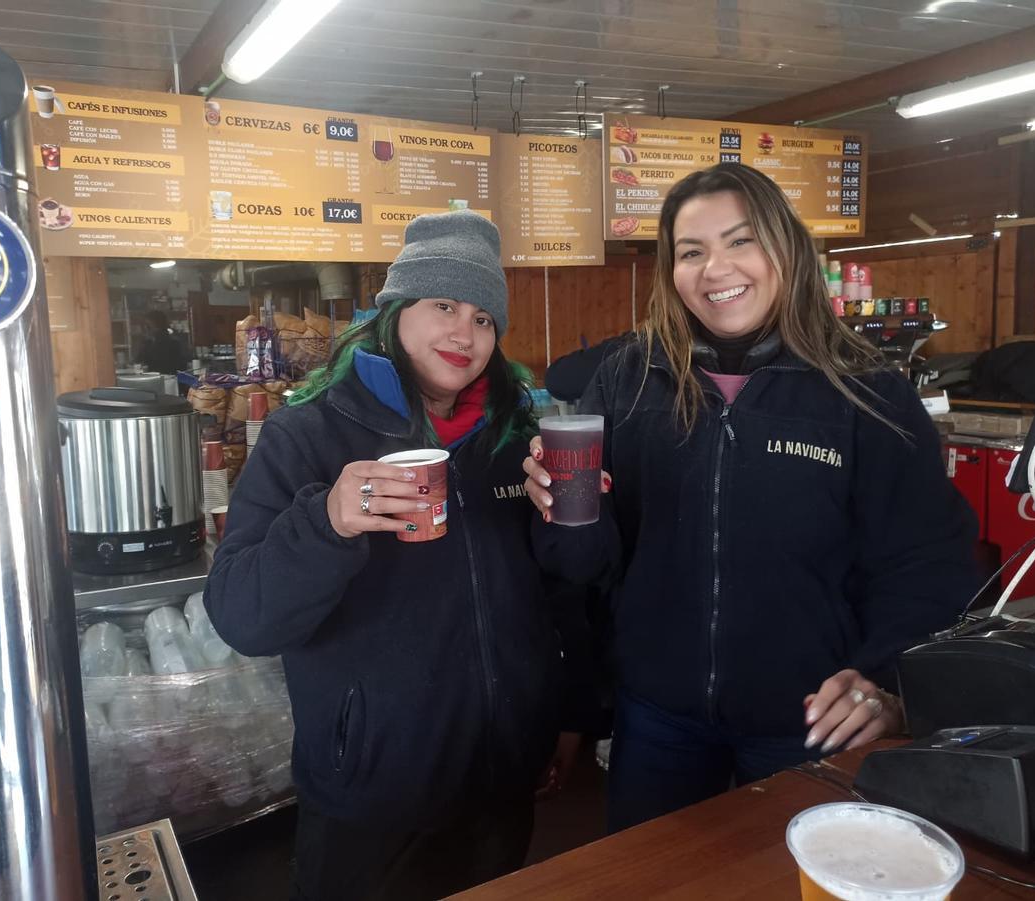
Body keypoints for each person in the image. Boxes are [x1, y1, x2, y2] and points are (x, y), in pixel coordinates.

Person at [523, 163, 981, 833]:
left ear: (784, 249)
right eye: (691, 251)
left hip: (811, 717)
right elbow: (583, 564)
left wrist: (885, 681)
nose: (716, 269)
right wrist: (558, 509)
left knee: (787, 877)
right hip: (657, 716)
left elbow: (926, 562)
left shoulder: (865, 391)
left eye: (741, 241)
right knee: (656, 878)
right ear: (670, 271)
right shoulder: (630, 379)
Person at [204, 210, 575, 901]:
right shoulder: (305, 434)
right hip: (371, 798)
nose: (464, 334)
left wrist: (564, 715)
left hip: (501, 785)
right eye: (444, 306)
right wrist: (327, 521)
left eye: (484, 318)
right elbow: (241, 615)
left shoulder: (514, 438)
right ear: (396, 311)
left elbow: (553, 597)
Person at [135, 309, 189, 374]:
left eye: (148, 326)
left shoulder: (172, 343)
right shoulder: (148, 342)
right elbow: (139, 360)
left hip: (167, 377)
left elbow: (162, 365)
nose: (145, 329)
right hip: (155, 377)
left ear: (158, 326)